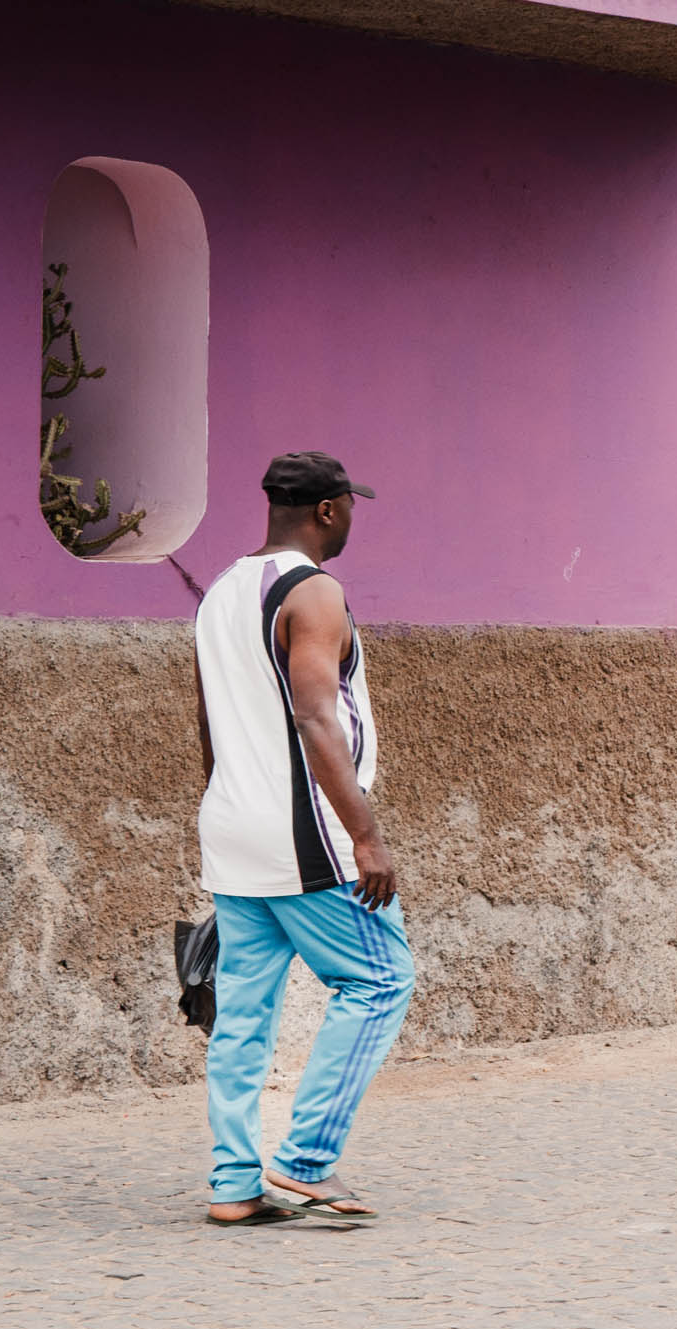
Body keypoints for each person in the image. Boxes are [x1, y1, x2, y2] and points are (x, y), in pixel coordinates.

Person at [192, 452, 415, 1226]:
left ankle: (233, 1185)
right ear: (327, 510)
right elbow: (317, 715)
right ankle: (306, 1158)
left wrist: (232, 803)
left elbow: (208, 725)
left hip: (232, 829)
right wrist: (366, 835)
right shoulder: (314, 592)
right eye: (351, 505)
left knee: (243, 1014)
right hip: (303, 836)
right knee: (383, 977)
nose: (353, 518)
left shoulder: (220, 591)